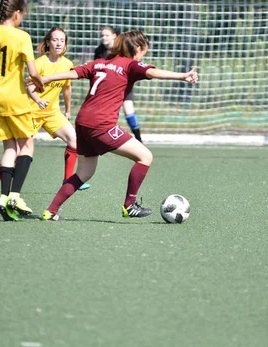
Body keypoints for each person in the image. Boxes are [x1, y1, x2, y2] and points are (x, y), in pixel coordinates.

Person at [38, 30, 198, 221]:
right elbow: (153, 72)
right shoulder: (130, 64)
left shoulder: (99, 63)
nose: (143, 56)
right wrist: (183, 76)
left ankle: (50, 211)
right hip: (101, 124)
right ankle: (129, 206)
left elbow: (74, 73)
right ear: (137, 48)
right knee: (145, 156)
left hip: (82, 122)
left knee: (84, 173)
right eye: (144, 51)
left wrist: (46, 78)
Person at [0, 27, 90, 194]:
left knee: (74, 140)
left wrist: (68, 110)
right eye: (55, 40)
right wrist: (39, 100)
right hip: (31, 111)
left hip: (52, 113)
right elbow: (30, 88)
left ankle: (68, 179)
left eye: (62, 40)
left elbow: (66, 89)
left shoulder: (67, 64)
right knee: (19, 151)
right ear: (48, 42)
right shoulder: (39, 63)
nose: (58, 43)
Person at [0, 0, 44, 221]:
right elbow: (33, 72)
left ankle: (3, 198)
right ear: (16, 14)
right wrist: (40, 84)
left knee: (9, 147)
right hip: (14, 98)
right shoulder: (21, 37)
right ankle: (15, 195)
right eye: (22, 14)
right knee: (27, 143)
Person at [93, 26, 143, 143]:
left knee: (129, 111)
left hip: (123, 84)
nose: (104, 38)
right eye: (102, 35)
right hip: (107, 88)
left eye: (107, 35)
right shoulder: (99, 52)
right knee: (103, 112)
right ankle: (99, 138)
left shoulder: (122, 49)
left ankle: (139, 140)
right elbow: (96, 69)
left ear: (114, 36)